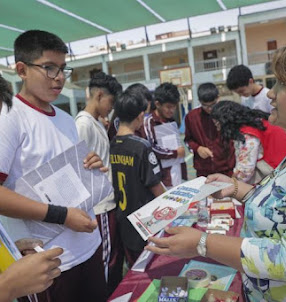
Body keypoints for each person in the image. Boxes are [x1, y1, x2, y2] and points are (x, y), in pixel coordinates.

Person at [146, 46, 286, 302]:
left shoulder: (248, 134)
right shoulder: (193, 119)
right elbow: (277, 202)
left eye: (280, 84)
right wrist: (236, 188)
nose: (272, 93)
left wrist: (202, 243)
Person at [0, 30, 108, 302]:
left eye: (62, 68)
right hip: (47, 263)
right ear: (22, 70)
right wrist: (62, 215)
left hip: (88, 245)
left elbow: (66, 172)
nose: (59, 77)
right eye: (49, 68)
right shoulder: (9, 117)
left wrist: (90, 167)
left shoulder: (65, 117)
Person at [75, 71, 123, 294]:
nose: (110, 109)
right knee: (107, 259)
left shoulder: (94, 123)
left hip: (106, 201)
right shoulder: (82, 124)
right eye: (110, 103)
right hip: (99, 204)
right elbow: (77, 165)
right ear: (100, 95)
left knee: (112, 257)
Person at [110, 89, 165, 267]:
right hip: (144, 220)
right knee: (149, 267)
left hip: (122, 219)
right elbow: (155, 186)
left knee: (133, 267)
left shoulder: (112, 144)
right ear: (140, 116)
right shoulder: (140, 147)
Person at [211, 100, 286, 183]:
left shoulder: (248, 135)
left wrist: (230, 185)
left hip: (278, 172)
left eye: (218, 124)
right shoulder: (256, 121)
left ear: (226, 122)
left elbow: (245, 172)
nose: (218, 129)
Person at [139, 82, 187, 188]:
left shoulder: (171, 121)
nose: (172, 110)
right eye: (168, 107)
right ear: (157, 104)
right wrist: (175, 153)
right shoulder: (149, 121)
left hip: (176, 172)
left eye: (174, 107)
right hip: (162, 178)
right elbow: (151, 149)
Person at [184, 83, 235, 177]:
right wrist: (198, 148)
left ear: (218, 98)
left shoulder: (228, 114)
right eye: (205, 106)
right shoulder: (191, 117)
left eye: (213, 104)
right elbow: (188, 140)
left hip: (226, 170)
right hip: (203, 171)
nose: (210, 109)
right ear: (199, 101)